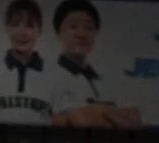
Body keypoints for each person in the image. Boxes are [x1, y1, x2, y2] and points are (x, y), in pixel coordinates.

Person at [50, 0, 142, 128]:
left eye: (88, 28)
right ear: (58, 33)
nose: (81, 34)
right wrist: (111, 113)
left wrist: (99, 111)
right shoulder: (47, 78)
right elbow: (53, 121)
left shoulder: (107, 79)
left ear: (96, 33)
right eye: (73, 26)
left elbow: (135, 119)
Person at [0, 0, 54, 125]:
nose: (22, 32)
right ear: (7, 28)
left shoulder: (54, 74)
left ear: (39, 31)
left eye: (29, 26)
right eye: (16, 25)